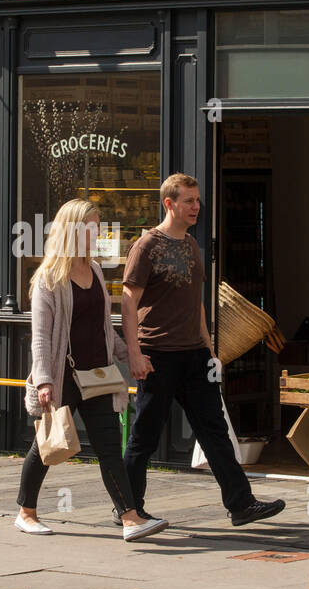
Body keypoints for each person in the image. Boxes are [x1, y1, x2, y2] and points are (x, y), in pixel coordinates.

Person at [121, 174, 286, 527]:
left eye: (197, 200)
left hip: (194, 355)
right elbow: (128, 302)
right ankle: (128, 509)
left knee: (215, 431)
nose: (196, 207)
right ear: (170, 203)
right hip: (157, 354)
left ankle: (241, 504)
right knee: (145, 436)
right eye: (189, 201)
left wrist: (210, 351)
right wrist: (134, 354)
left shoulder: (192, 245)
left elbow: (196, 303)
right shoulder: (147, 246)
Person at [21, 199, 169, 542]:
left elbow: (102, 327)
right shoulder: (49, 278)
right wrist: (44, 381)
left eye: (98, 226)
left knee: (108, 447)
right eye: (91, 226)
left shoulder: (96, 270)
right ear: (72, 229)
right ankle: (26, 512)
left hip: (97, 375)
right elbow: (40, 337)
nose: (97, 232)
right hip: (62, 377)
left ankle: (130, 518)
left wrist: (130, 354)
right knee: (47, 447)